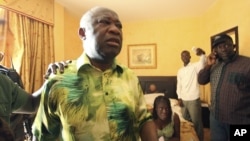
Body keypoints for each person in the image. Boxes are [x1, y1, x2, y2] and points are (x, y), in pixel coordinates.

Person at [32, 6, 158, 141]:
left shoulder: (130, 77)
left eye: (119, 26)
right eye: (104, 22)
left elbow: (144, 119)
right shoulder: (58, 80)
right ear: (82, 33)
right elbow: (43, 136)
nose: (115, 29)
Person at [198, 34, 250, 141]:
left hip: (240, 120)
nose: (223, 49)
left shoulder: (247, 64)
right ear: (215, 50)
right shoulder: (214, 65)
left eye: (226, 45)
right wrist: (208, 65)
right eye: (219, 47)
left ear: (233, 46)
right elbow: (201, 80)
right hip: (216, 119)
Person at [176, 48, 206, 141]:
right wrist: (179, 98)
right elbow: (179, 85)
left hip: (193, 99)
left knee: (197, 123)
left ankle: (200, 139)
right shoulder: (180, 71)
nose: (184, 57)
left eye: (186, 55)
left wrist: (202, 54)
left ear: (190, 57)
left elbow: (203, 61)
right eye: (183, 55)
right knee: (186, 123)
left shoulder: (195, 66)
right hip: (183, 100)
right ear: (181, 57)